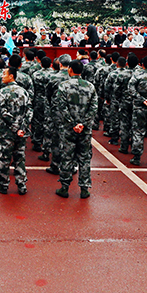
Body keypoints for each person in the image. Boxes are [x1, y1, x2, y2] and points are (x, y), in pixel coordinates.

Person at [54, 60, 97, 199]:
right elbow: (94, 108)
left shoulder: (63, 86)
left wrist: (73, 123)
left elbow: (61, 107)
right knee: (84, 158)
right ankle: (84, 188)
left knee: (67, 157)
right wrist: (83, 124)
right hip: (85, 130)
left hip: (68, 129)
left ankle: (64, 187)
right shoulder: (90, 86)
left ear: (70, 69)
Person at [0, 65, 32, 195]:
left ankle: (3, 185)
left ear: (11, 76)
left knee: (4, 158)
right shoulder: (24, 92)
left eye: (4, 74)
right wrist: (22, 128)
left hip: (7, 132)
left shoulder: (3, 92)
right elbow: (29, 111)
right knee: (19, 158)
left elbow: (3, 112)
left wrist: (15, 128)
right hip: (21, 132)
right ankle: (22, 185)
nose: (2, 76)